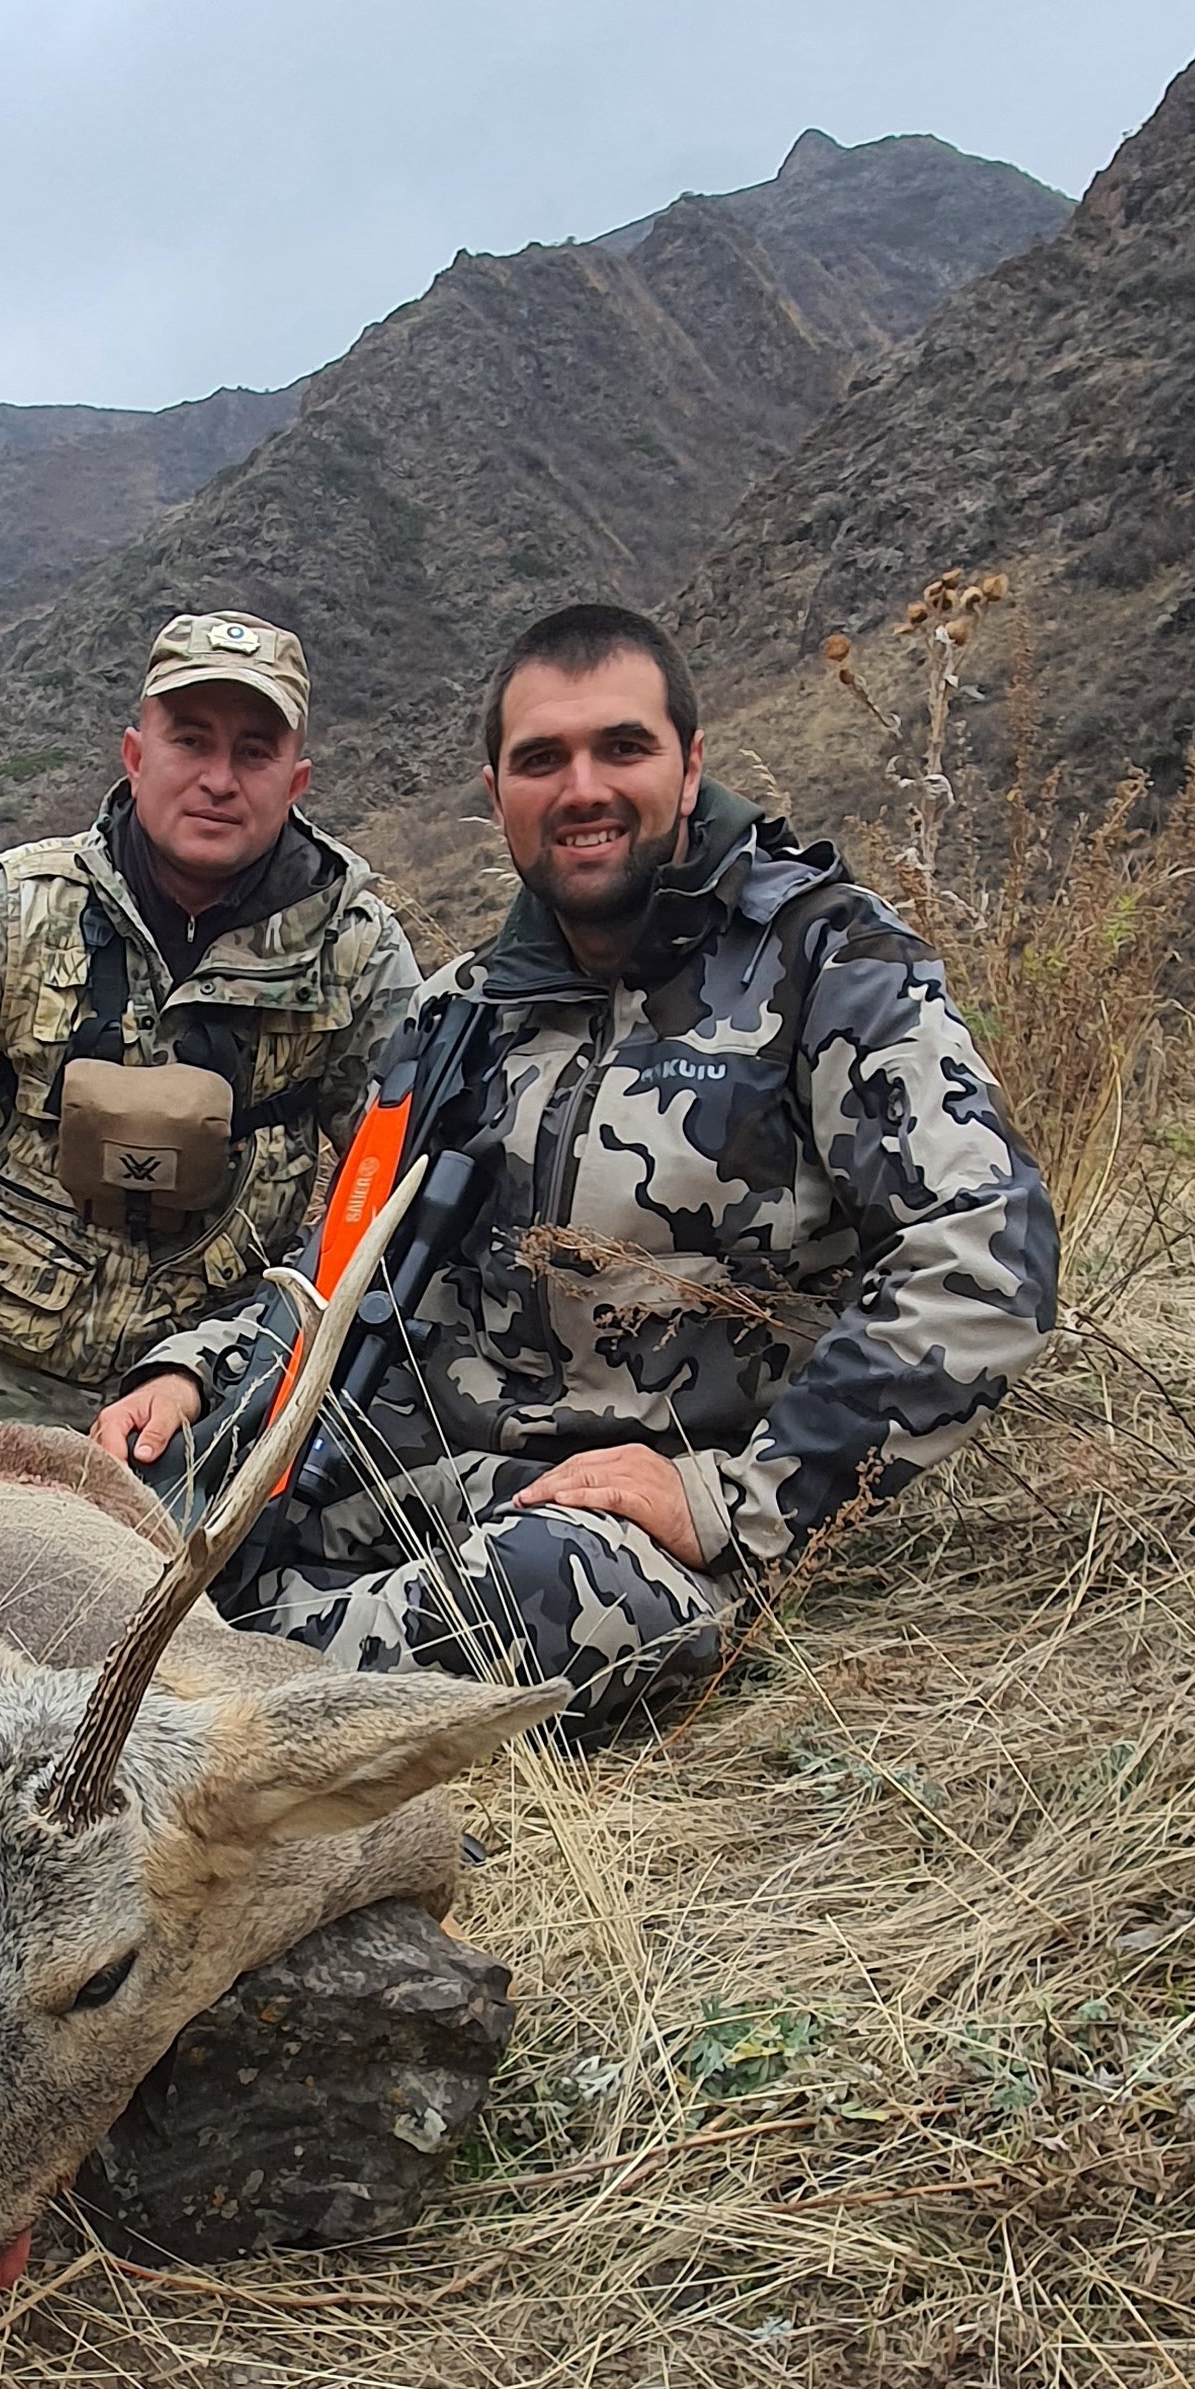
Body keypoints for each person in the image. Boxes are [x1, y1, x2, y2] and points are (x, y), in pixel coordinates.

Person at [92, 600, 1060, 1733]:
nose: (583, 788)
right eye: (542, 759)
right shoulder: (462, 1012)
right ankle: (206, 1681)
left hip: (640, 1529)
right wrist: (200, 1375)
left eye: (623, 749)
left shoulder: (832, 964)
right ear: (497, 794)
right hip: (425, 1466)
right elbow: (341, 1263)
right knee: (123, 1491)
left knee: (553, 1593)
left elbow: (988, 1255)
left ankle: (181, 1706)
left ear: (689, 767)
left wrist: (734, 1498)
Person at [0, 610, 420, 1469]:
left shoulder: (357, 951)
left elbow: (395, 1187)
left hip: (214, 1386)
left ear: (296, 779)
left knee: (229, 1595)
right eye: (190, 742)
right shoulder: (19, 910)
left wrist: (230, 1360)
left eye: (254, 752)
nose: (218, 780)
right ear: (135, 755)